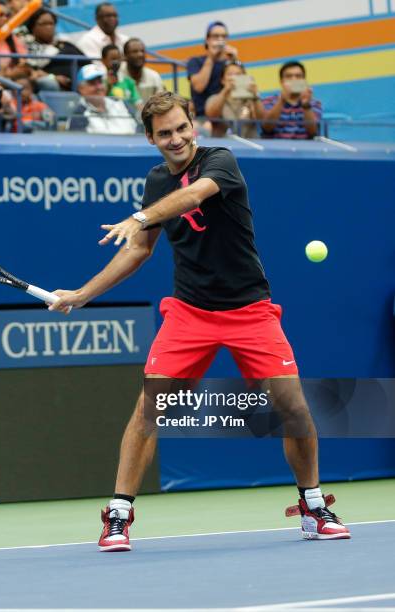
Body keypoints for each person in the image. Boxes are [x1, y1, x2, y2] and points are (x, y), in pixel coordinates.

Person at [49, 91, 351, 550]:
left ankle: (311, 505)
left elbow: (194, 194)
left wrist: (141, 215)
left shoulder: (221, 161)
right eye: (165, 133)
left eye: (182, 128)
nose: (176, 139)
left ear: (194, 125)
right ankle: (118, 514)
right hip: (190, 311)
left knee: (293, 408)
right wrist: (84, 294)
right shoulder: (155, 182)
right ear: (150, 137)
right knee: (149, 409)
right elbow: (139, 249)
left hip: (250, 309)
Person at [25, 8, 88, 92]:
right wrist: (53, 77)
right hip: (55, 92)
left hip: (81, 87)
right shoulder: (28, 49)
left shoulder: (67, 45)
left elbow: (88, 65)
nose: (49, 27)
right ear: (32, 27)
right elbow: (32, 73)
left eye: (51, 23)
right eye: (44, 24)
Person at [187, 21, 238, 120]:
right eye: (216, 36)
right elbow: (198, 87)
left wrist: (235, 61)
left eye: (224, 36)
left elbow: (239, 89)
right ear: (207, 39)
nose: (220, 40)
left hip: (227, 115)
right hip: (202, 117)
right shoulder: (195, 61)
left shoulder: (230, 62)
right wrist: (211, 58)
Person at [68, 63, 137, 134]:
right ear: (81, 89)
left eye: (100, 82)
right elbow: (78, 143)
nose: (99, 87)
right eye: (92, 83)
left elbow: (140, 128)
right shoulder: (78, 115)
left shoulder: (121, 103)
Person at [261, 61, 322, 139]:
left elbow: (313, 132)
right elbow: (266, 128)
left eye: (298, 76)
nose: (294, 79)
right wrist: (282, 101)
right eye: (289, 76)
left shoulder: (314, 104)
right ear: (281, 81)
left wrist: (306, 105)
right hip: (275, 149)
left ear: (304, 80)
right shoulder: (268, 102)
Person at [205, 60, 263, 138]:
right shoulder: (213, 99)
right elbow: (212, 116)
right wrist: (225, 91)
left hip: (250, 146)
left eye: (238, 74)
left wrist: (255, 96)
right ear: (222, 80)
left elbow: (262, 120)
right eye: (230, 74)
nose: (234, 78)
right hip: (224, 146)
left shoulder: (252, 100)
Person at [119, 37, 164, 103]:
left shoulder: (154, 76)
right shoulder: (117, 76)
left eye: (142, 51)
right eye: (135, 51)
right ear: (125, 55)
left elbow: (161, 104)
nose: (140, 54)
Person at [101, 43, 141, 108]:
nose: (116, 62)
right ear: (103, 61)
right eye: (113, 59)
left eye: (118, 59)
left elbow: (138, 103)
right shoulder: (99, 82)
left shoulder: (129, 82)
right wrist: (109, 86)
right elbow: (99, 103)